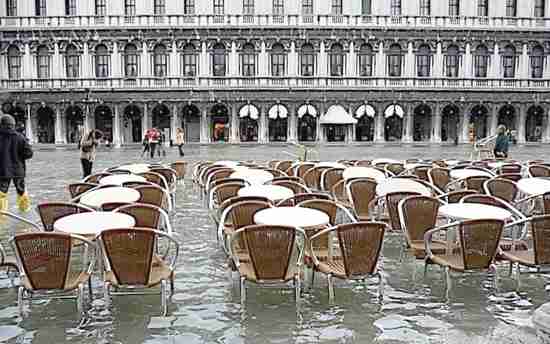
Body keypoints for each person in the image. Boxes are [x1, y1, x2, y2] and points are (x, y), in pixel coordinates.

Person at [0, 114, 33, 213]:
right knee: (21, 190)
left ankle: (2, 214)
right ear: (13, 124)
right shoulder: (20, 137)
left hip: (3, 170)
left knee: (1, 192)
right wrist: (19, 157)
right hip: (18, 170)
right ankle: (24, 211)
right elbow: (29, 153)